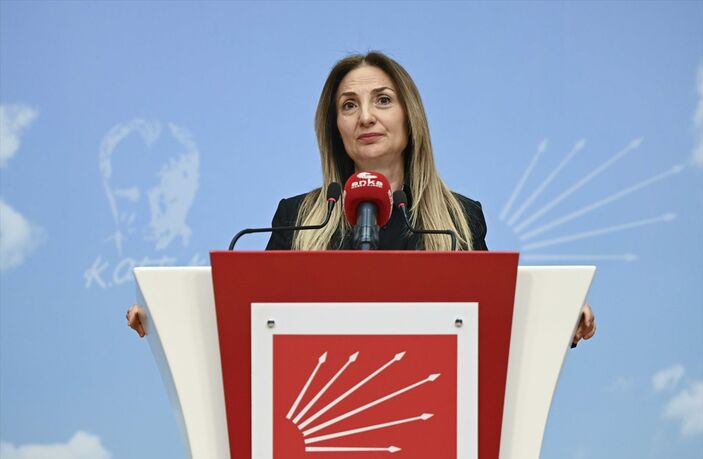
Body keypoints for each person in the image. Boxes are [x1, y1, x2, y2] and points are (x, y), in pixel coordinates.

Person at [127, 51, 596, 345]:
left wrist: (559, 316)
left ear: (410, 117)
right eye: (349, 105)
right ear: (336, 127)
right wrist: (164, 313)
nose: (365, 117)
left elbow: (495, 318)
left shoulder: (459, 218)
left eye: (383, 100)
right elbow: (248, 316)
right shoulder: (297, 217)